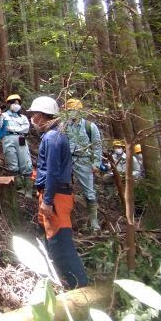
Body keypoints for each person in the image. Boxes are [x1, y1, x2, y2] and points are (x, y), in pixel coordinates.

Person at [27, 96, 88, 289]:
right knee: (49, 239)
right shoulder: (53, 136)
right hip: (52, 194)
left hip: (56, 197)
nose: (32, 119)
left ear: (43, 116)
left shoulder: (53, 137)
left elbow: (53, 171)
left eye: (35, 115)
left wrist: (47, 200)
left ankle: (80, 289)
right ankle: (57, 280)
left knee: (60, 244)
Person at [63, 98, 103, 231]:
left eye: (74, 110)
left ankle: (93, 221)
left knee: (89, 192)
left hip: (84, 160)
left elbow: (97, 146)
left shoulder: (90, 127)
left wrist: (96, 163)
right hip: (67, 160)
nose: (72, 113)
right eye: (69, 110)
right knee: (64, 188)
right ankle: (67, 218)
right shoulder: (64, 126)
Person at [0, 94, 32, 194]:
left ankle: (28, 190)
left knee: (26, 162)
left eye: (18, 103)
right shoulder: (3, 115)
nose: (16, 105)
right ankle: (19, 189)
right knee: (13, 163)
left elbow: (26, 128)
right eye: (14, 103)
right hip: (8, 139)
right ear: (9, 104)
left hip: (21, 138)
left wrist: (12, 128)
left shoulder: (23, 117)